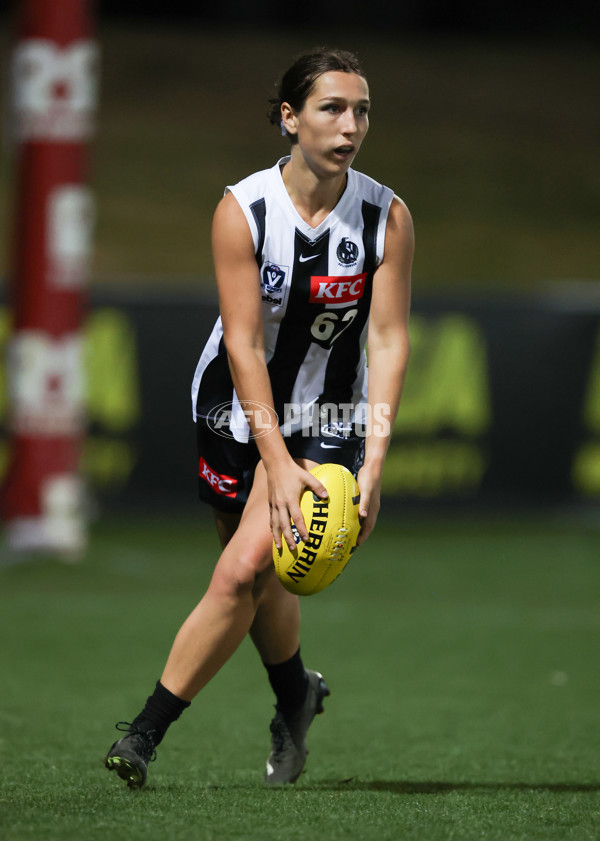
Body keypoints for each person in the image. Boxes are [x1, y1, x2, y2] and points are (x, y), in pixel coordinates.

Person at [104, 47, 413, 789]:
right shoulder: (242, 209)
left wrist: (372, 462)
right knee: (264, 580)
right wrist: (272, 458)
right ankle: (296, 696)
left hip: (332, 412)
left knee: (244, 567)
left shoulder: (386, 215)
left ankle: (144, 732)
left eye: (361, 110)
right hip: (233, 407)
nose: (350, 125)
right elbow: (242, 341)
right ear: (288, 118)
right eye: (332, 108)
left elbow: (390, 340)